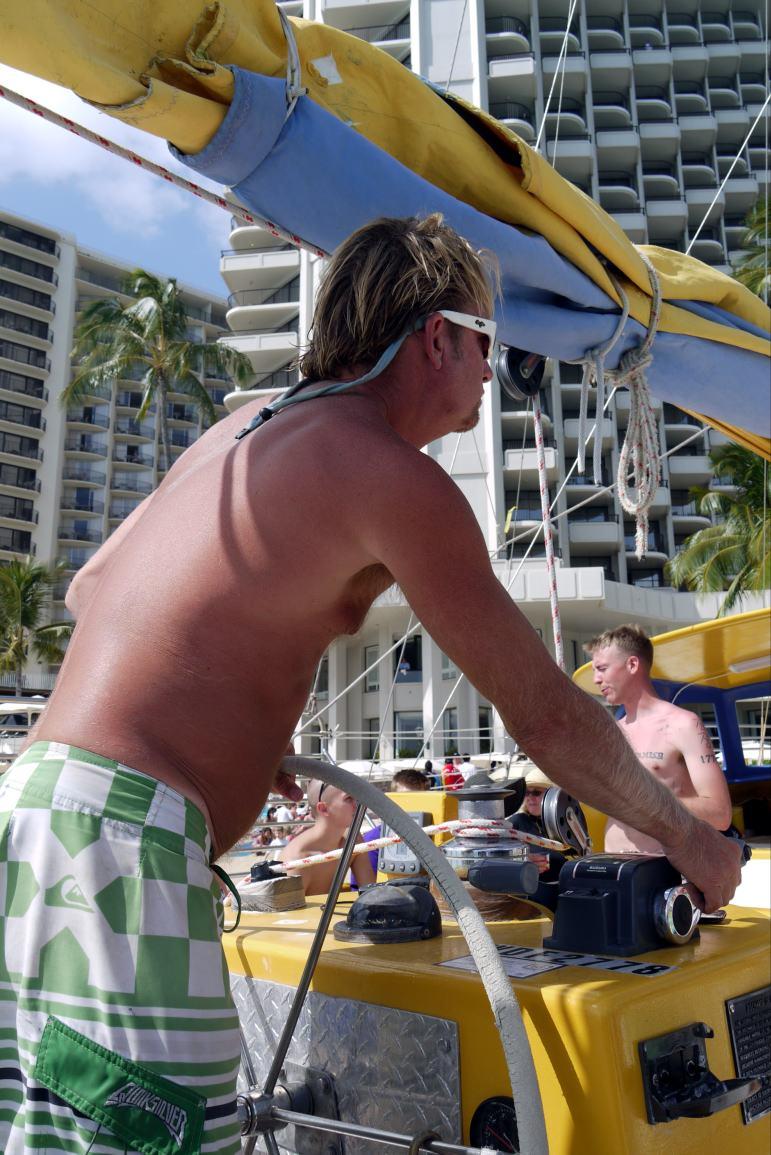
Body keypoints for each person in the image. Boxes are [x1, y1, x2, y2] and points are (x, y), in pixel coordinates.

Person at [0, 214, 740, 1155]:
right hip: (119, 847)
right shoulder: (392, 477)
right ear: (436, 337)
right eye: (484, 341)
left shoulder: (241, 430)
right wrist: (692, 840)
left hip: (37, 813)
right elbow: (547, 717)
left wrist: (238, 722)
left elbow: (93, 586)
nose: (491, 369)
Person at [585, 624, 733, 855]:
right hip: (613, 867)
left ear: (632, 665)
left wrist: (648, 802)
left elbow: (720, 814)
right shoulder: (612, 732)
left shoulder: (682, 724)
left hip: (663, 870)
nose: (596, 679)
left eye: (602, 669)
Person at [277, 779, 377, 895]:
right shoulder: (297, 861)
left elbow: (372, 895)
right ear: (323, 809)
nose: (357, 805)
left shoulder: (353, 839)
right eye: (349, 799)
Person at [510, 767, 566, 882]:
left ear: (552, 796)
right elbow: (500, 857)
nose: (530, 798)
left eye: (536, 793)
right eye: (526, 793)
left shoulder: (566, 823)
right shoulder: (517, 822)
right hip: (535, 889)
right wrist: (522, 860)